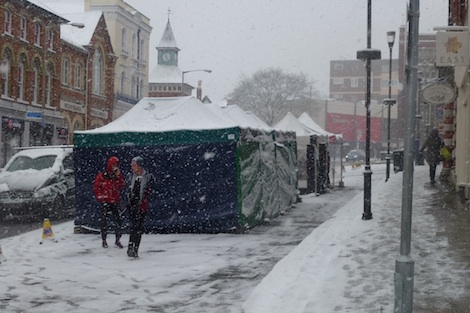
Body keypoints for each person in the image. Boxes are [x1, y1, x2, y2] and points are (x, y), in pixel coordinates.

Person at [93, 156, 125, 248]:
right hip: (105, 201)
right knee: (104, 221)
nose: (115, 166)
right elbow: (96, 187)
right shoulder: (102, 175)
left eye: (116, 165)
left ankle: (117, 240)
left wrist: (118, 176)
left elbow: (122, 185)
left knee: (118, 221)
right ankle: (104, 240)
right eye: (113, 164)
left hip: (115, 201)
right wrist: (101, 197)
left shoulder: (117, 175)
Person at [126, 156, 155, 258]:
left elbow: (152, 190)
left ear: (139, 166)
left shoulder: (148, 177)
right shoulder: (130, 176)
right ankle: (130, 245)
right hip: (132, 205)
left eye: (134, 165)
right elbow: (127, 189)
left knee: (138, 227)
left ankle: (135, 248)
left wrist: (145, 197)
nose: (132, 167)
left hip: (141, 206)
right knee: (133, 226)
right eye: (132, 165)